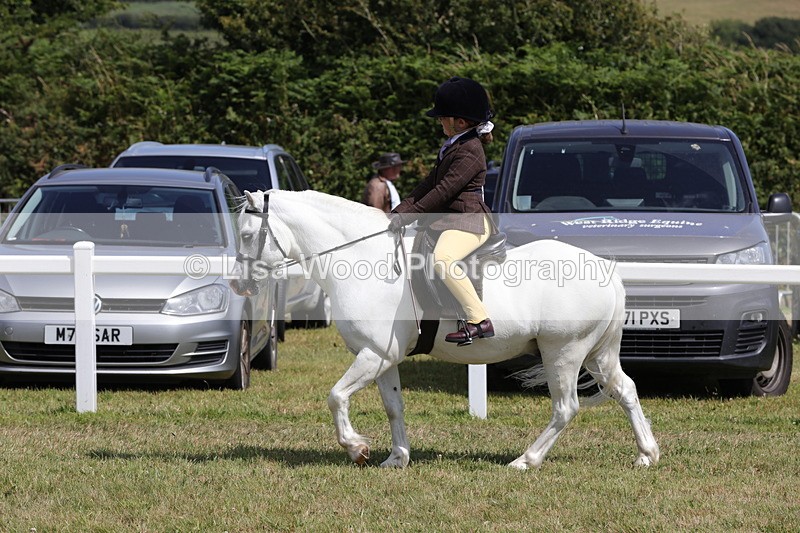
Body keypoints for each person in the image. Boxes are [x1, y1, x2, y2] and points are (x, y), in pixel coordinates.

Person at [389, 76, 496, 345]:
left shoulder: (470, 150)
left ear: (460, 122)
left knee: (443, 259)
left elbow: (444, 191)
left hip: (470, 220)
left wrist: (410, 216)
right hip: (451, 219)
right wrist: (399, 211)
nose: (439, 121)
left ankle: (479, 319)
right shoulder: (454, 145)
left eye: (442, 117)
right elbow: (428, 184)